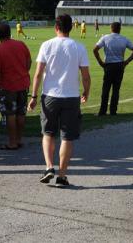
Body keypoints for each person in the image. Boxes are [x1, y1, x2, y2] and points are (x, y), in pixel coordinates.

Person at [28, 14, 90, 187]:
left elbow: (38, 73)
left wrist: (33, 96)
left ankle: (49, 167)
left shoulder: (46, 45)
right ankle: (62, 175)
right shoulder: (79, 47)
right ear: (71, 27)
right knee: (67, 137)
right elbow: (85, 75)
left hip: (50, 96)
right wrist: (86, 91)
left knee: (48, 133)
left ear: (56, 27)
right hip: (71, 96)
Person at [0, 22, 32, 150]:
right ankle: (19, 139)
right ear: (10, 32)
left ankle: (12, 142)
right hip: (23, 84)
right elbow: (29, 61)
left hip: (8, 86)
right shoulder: (21, 44)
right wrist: (23, 72)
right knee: (21, 113)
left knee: (10, 114)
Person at [93, 22, 133, 116]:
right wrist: (127, 61)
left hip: (108, 66)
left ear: (111, 28)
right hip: (120, 65)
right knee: (116, 89)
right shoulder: (124, 39)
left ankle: (102, 111)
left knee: (106, 89)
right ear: (120, 29)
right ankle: (113, 111)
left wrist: (100, 62)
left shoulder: (105, 38)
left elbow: (95, 49)